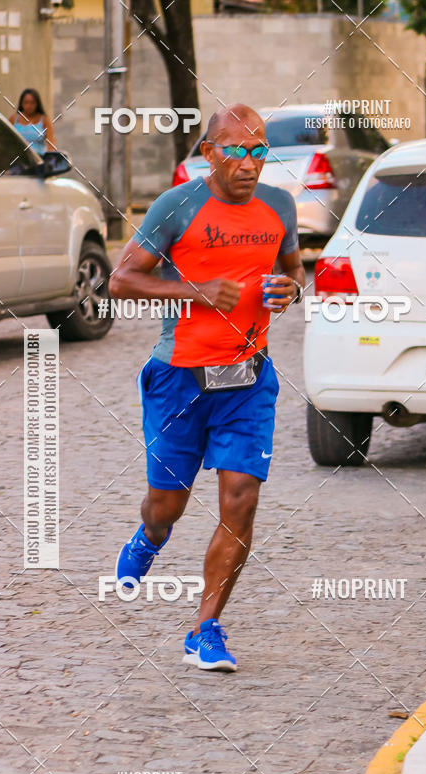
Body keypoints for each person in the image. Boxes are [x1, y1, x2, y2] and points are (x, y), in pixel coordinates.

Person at [110, 104, 305, 672]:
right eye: (237, 150)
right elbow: (122, 280)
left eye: (260, 150)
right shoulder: (178, 206)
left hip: (248, 378)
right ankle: (150, 536)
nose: (250, 163)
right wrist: (193, 290)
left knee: (241, 500)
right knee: (167, 505)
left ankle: (206, 628)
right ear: (209, 152)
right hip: (179, 380)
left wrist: (286, 290)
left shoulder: (280, 205)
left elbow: (293, 270)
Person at [9, 88, 56, 157]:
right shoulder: (13, 119)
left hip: (40, 161)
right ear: (21, 103)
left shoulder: (44, 120)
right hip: (18, 162)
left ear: (37, 104)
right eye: (26, 102)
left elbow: (51, 146)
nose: (29, 106)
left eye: (32, 103)